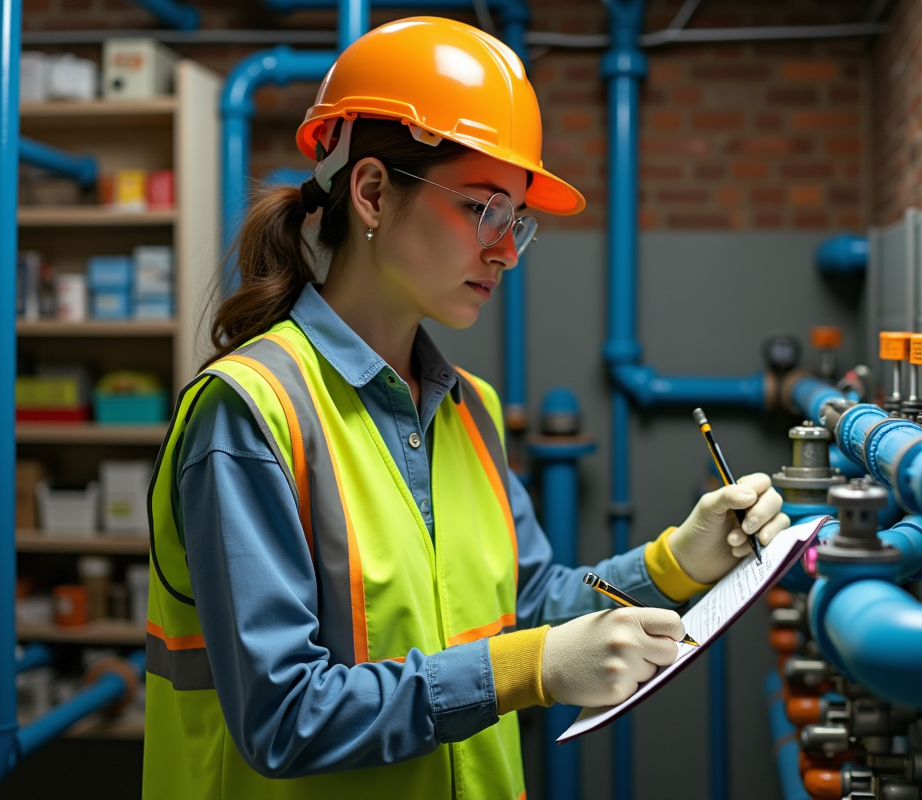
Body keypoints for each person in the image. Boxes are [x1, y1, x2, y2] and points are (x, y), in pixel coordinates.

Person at [142, 17, 790, 799]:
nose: (507, 249)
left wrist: (678, 562)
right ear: (373, 192)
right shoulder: (250, 415)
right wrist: (532, 668)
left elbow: (529, 604)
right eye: (483, 208)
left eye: (516, 220)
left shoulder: (467, 408)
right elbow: (283, 715)